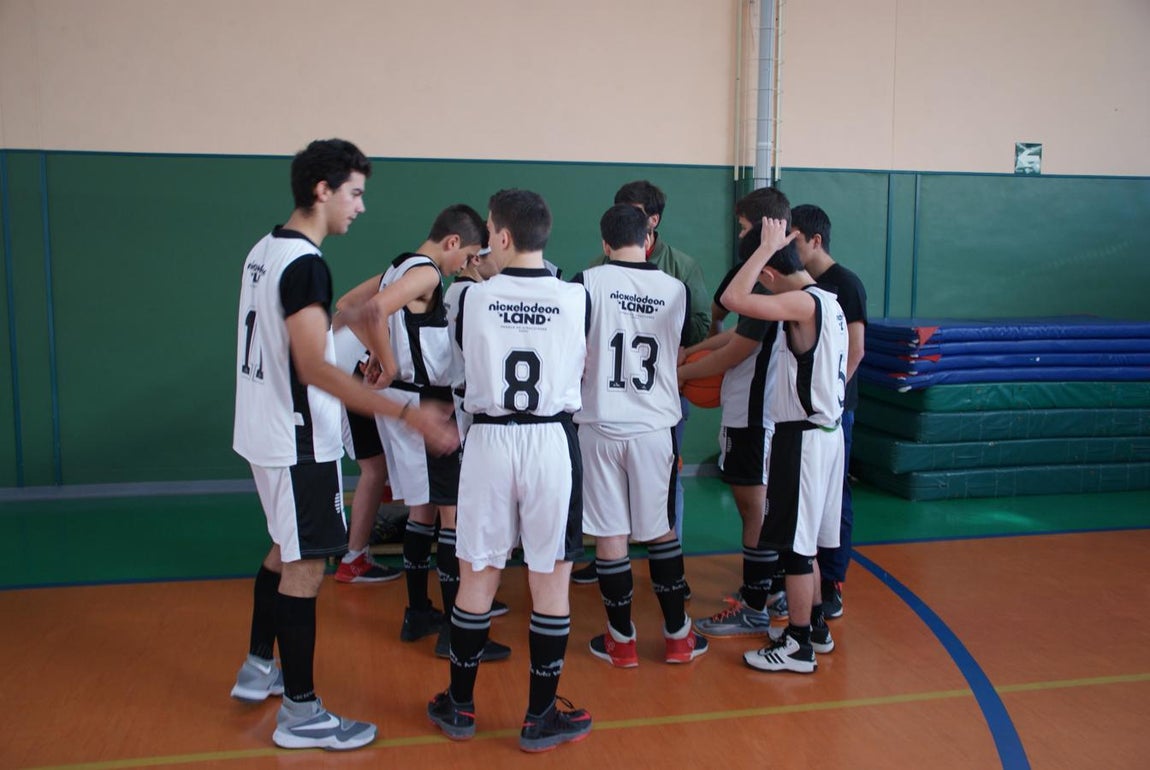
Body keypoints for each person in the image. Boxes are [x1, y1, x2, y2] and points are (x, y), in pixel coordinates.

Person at [230, 138, 458, 751]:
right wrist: (405, 412)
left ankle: (258, 669)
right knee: (305, 568)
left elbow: (334, 321)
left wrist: (378, 359)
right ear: (322, 191)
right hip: (297, 438)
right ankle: (301, 712)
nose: (360, 206)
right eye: (354, 193)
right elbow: (312, 365)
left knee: (284, 546)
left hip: (259, 429)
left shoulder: (265, 250)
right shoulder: (307, 263)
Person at [427, 189, 593, 753]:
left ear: (499, 235)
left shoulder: (470, 297)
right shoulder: (577, 295)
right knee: (551, 580)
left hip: (490, 439)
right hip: (551, 437)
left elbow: (456, 365)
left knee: (478, 573)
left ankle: (460, 704)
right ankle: (538, 715)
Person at [339, 205, 510, 661]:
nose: (465, 265)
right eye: (468, 254)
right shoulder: (428, 273)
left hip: (403, 399)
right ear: (452, 242)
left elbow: (350, 308)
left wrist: (378, 355)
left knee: (423, 509)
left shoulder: (396, 265)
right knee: (452, 515)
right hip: (425, 402)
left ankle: (418, 611)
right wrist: (388, 360)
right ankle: (457, 630)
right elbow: (371, 310)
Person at [573, 204, 707, 668]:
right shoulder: (677, 289)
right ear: (649, 240)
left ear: (604, 244)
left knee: (611, 534)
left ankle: (622, 641)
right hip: (654, 427)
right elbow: (684, 344)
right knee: (662, 531)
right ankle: (677, 637)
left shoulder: (584, 283)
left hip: (598, 424)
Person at [720, 218, 847, 674]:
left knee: (794, 548)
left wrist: (762, 249)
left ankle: (797, 645)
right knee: (806, 544)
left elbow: (733, 298)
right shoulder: (831, 301)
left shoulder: (801, 303)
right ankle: (813, 627)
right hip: (829, 437)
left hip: (803, 439)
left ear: (770, 274)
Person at [680, 226, 789, 639]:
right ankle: (767, 590)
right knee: (754, 509)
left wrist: (684, 372)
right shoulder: (766, 300)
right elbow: (739, 334)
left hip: (756, 418)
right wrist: (691, 351)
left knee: (754, 509)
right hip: (749, 415)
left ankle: (756, 605)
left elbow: (737, 351)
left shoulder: (763, 294)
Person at [789, 204, 867, 619]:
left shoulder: (845, 285)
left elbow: (856, 350)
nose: (790, 247)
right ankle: (806, 578)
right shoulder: (799, 286)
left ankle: (833, 580)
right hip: (807, 413)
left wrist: (830, 399)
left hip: (835, 412)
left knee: (835, 499)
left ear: (815, 240)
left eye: (795, 239)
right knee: (807, 500)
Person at [328, 323, 399, 584]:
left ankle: (390, 499)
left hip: (335, 373)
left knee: (381, 465)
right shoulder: (395, 310)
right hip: (341, 379)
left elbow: (343, 309)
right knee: (374, 468)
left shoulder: (383, 303)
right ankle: (354, 560)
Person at [708, 186, 793, 337]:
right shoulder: (741, 271)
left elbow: (731, 300)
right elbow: (719, 317)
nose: (741, 235)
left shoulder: (778, 280)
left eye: (744, 227)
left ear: (765, 230)